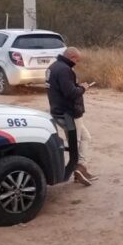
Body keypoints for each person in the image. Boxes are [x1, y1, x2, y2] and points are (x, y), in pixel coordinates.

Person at [47, 46, 96, 186]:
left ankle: (81, 167)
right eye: (77, 60)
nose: (77, 63)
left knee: (85, 138)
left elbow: (63, 89)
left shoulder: (53, 67)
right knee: (76, 142)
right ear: (72, 57)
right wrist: (82, 88)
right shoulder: (65, 70)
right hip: (69, 113)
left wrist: (77, 86)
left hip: (58, 111)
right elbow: (70, 93)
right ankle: (77, 169)